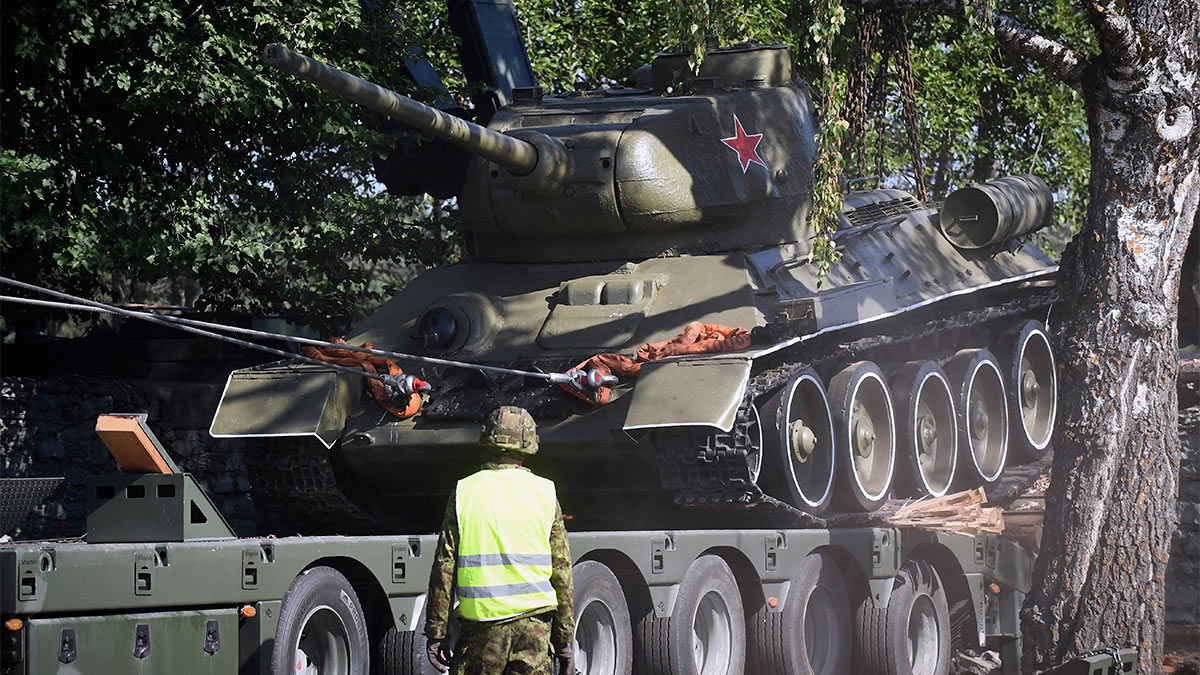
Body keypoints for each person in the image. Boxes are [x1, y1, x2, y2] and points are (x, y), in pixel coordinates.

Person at [424, 406, 575, 675]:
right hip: (534, 630)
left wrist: (437, 631)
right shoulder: (545, 492)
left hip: (481, 630)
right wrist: (563, 639)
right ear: (529, 443)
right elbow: (562, 571)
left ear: (489, 441)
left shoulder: (465, 491)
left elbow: (444, 566)